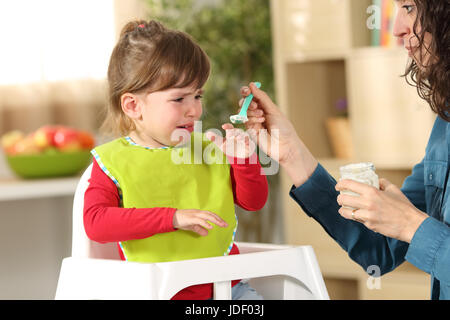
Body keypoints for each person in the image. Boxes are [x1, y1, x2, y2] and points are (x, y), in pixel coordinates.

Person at [240, 0, 449, 300]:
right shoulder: (444, 127)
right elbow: (380, 251)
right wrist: (292, 154)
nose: (397, 29)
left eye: (409, 7)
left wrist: (412, 226)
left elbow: (410, 229)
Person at [83, 20, 268, 300]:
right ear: (133, 106)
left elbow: (253, 201)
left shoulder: (209, 147)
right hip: (157, 294)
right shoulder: (112, 161)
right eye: (179, 98)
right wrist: (173, 218)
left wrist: (244, 160)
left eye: (197, 95)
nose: (194, 109)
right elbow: (96, 223)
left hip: (230, 289)